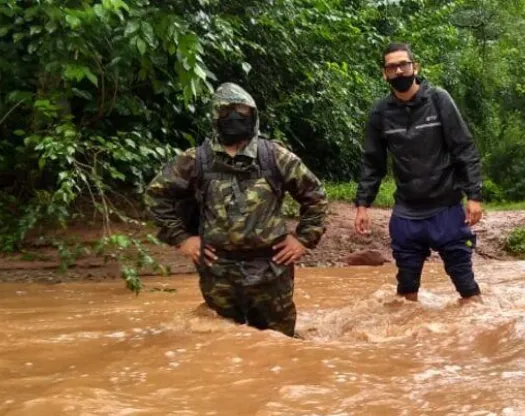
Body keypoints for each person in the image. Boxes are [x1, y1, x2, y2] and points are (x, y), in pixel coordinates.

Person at [145, 83, 328, 337]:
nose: (233, 117)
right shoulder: (197, 159)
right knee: (222, 343)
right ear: (215, 116)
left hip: (271, 269)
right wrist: (181, 239)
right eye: (225, 111)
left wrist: (303, 239)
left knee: (281, 345)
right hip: (218, 270)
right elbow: (156, 194)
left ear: (252, 115)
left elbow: (315, 196)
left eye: (240, 110)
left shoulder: (274, 156)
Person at [353, 42, 484, 304]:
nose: (399, 71)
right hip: (407, 212)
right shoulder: (381, 112)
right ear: (384, 74)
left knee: (466, 286)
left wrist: (474, 195)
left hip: (446, 206)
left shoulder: (438, 100)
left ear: (415, 67)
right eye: (392, 67)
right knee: (405, 293)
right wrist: (363, 204)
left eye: (404, 64)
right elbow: (372, 161)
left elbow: (463, 148)